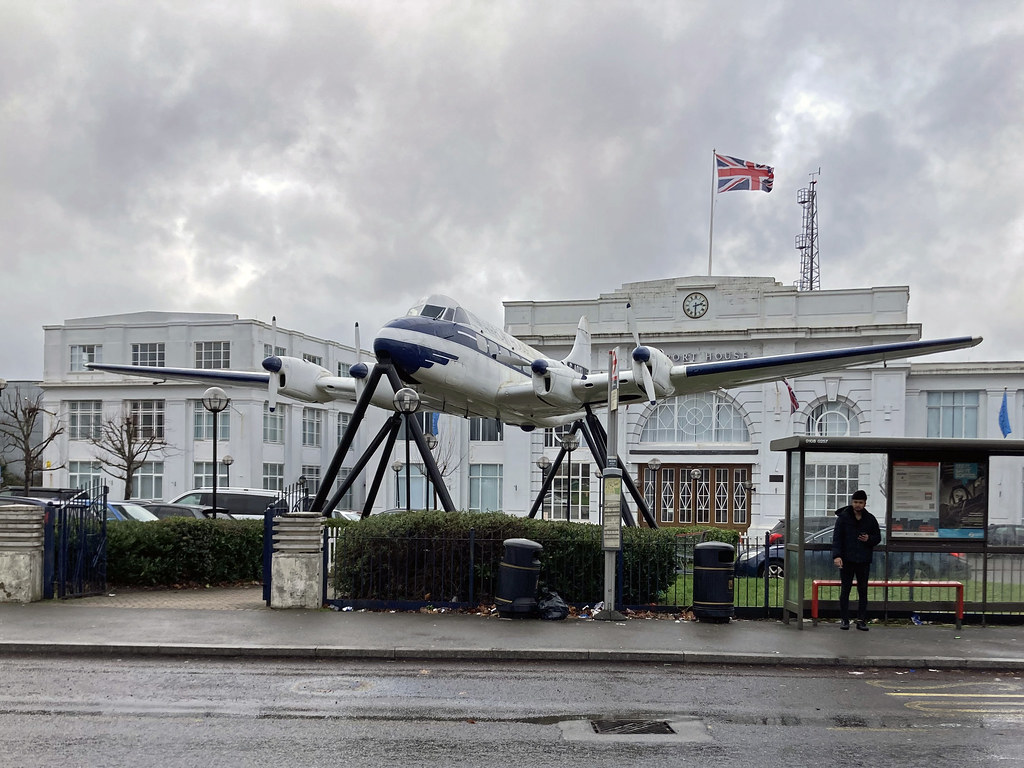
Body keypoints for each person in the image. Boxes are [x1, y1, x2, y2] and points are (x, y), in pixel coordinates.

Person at [831, 490, 882, 631]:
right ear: (852, 502)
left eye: (860, 502)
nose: (857, 505)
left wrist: (869, 539)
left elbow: (877, 537)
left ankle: (861, 620)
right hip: (847, 560)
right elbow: (837, 539)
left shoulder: (870, 519)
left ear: (865, 503)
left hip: (863, 560)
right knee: (845, 590)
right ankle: (844, 620)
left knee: (863, 590)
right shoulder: (843, 518)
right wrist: (837, 556)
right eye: (855, 502)